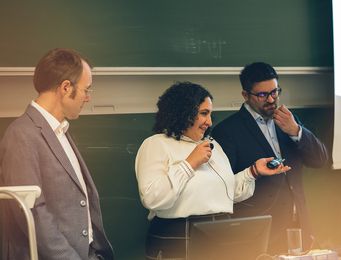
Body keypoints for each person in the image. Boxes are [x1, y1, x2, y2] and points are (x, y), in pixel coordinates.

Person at [135, 81, 291, 260]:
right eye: (203, 113)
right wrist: (189, 164)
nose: (209, 122)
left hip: (219, 236)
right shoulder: (155, 144)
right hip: (177, 237)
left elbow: (225, 194)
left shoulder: (212, 145)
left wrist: (253, 172)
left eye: (210, 114)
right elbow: (152, 198)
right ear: (183, 113)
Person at [0, 48, 113, 260]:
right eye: (86, 90)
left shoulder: (59, 130)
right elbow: (32, 213)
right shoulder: (21, 135)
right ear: (65, 88)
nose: (87, 98)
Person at [211, 62, 328, 255]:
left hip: (299, 227)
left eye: (275, 92)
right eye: (263, 95)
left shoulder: (289, 120)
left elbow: (319, 160)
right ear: (245, 95)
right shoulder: (227, 131)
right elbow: (224, 186)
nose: (271, 99)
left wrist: (296, 131)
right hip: (259, 235)